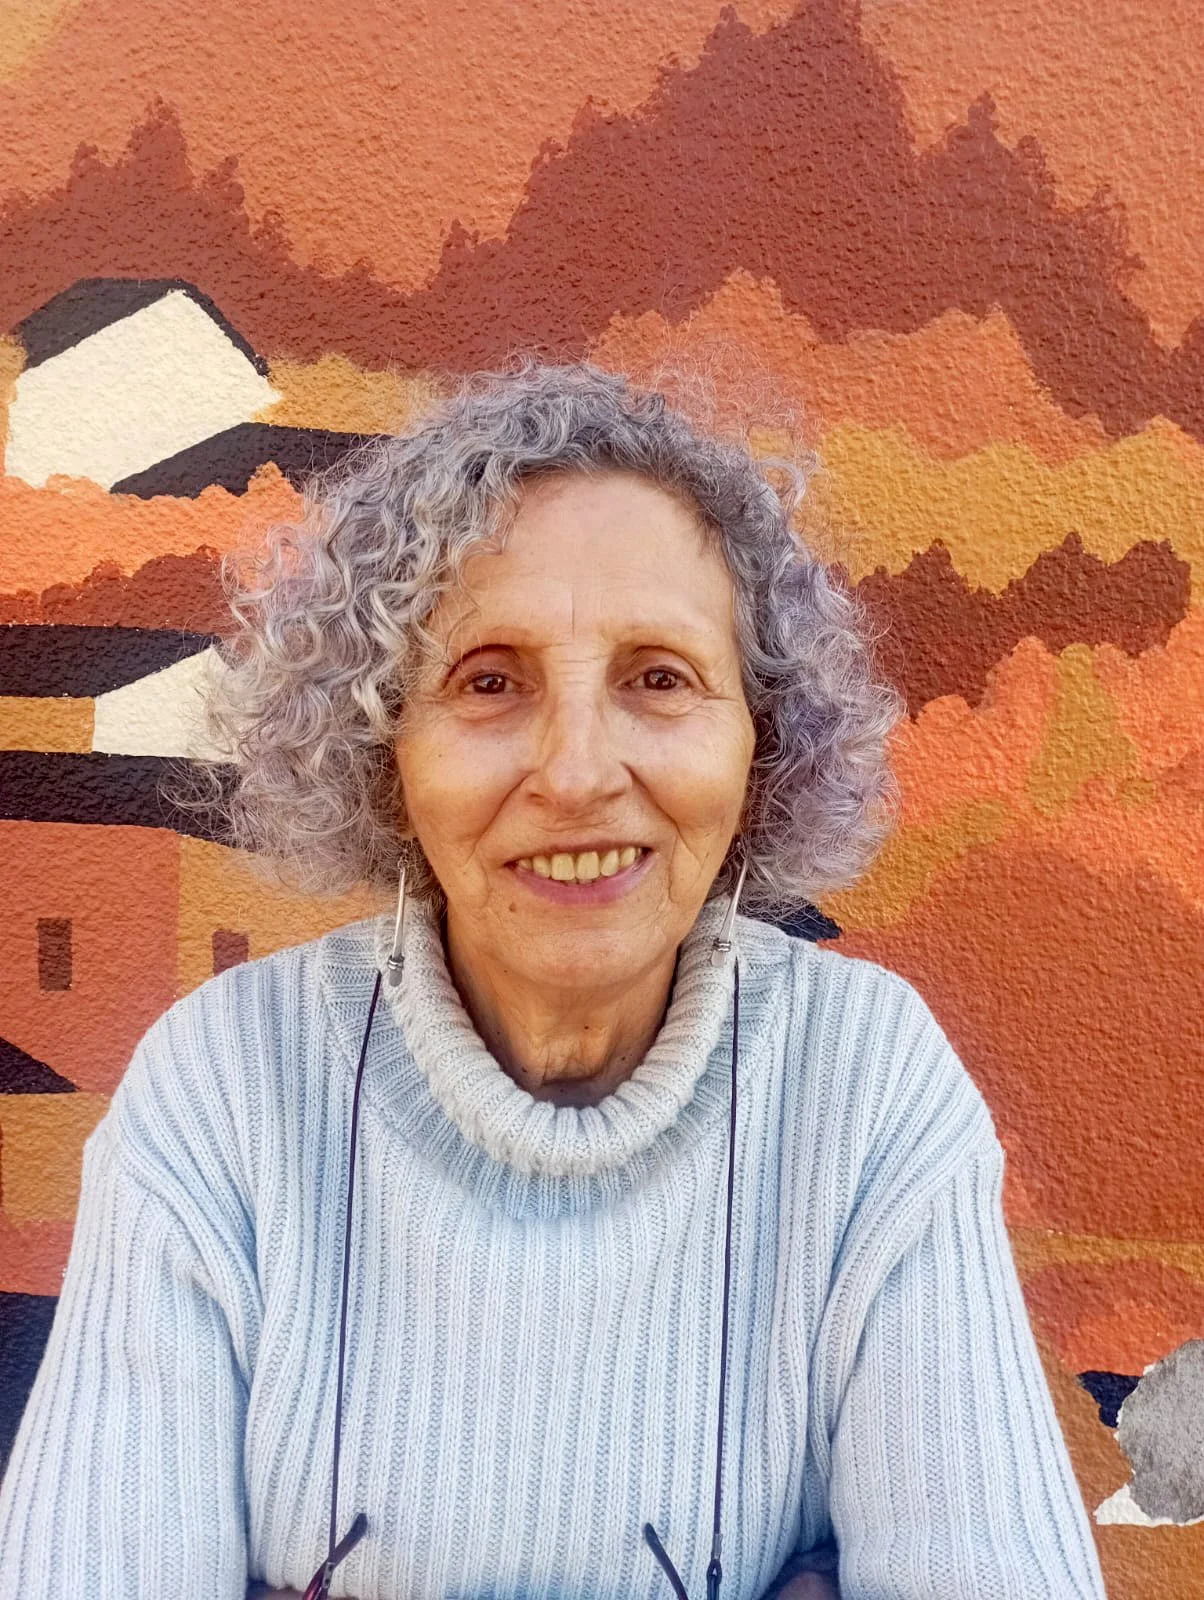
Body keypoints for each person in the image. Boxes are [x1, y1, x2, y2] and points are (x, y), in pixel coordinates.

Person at [0, 363, 1108, 1599]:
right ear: (384, 750)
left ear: (763, 742)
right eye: (489, 681)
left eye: (658, 677)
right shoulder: (223, 1090)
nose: (577, 773)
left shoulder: (863, 1085)